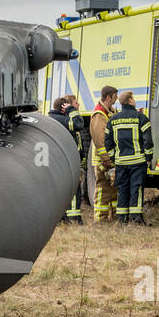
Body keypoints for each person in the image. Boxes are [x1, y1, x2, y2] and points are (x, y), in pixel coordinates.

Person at [107, 90, 152, 225]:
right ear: (131, 101)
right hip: (138, 162)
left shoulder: (113, 120)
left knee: (122, 189)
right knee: (136, 188)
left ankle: (121, 219)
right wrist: (148, 157)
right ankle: (136, 218)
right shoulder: (141, 118)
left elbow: (107, 142)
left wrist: (114, 158)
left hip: (121, 162)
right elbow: (148, 141)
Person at [48, 94, 83, 223]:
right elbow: (78, 124)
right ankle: (73, 218)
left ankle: (63, 217)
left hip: (57, 161)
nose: (78, 105)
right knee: (72, 188)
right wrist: (71, 111)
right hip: (64, 161)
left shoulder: (52, 119)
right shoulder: (61, 120)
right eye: (75, 104)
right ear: (64, 108)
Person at [88, 85, 118, 222]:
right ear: (108, 97)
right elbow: (100, 140)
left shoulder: (109, 112)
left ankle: (112, 217)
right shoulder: (99, 114)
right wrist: (106, 159)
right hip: (102, 161)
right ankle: (100, 219)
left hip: (109, 159)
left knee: (111, 190)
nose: (116, 98)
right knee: (102, 190)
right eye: (114, 96)